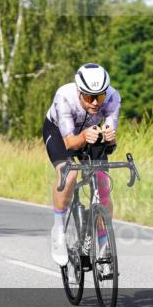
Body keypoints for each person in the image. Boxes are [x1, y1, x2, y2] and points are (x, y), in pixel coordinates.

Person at [43, 63, 121, 266]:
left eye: (100, 97)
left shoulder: (113, 97)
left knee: (102, 184)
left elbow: (110, 141)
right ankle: (59, 230)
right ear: (79, 92)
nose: (96, 102)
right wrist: (86, 135)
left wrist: (110, 138)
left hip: (92, 133)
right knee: (68, 175)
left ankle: (104, 244)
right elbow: (70, 143)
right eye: (89, 97)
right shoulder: (65, 97)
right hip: (60, 134)